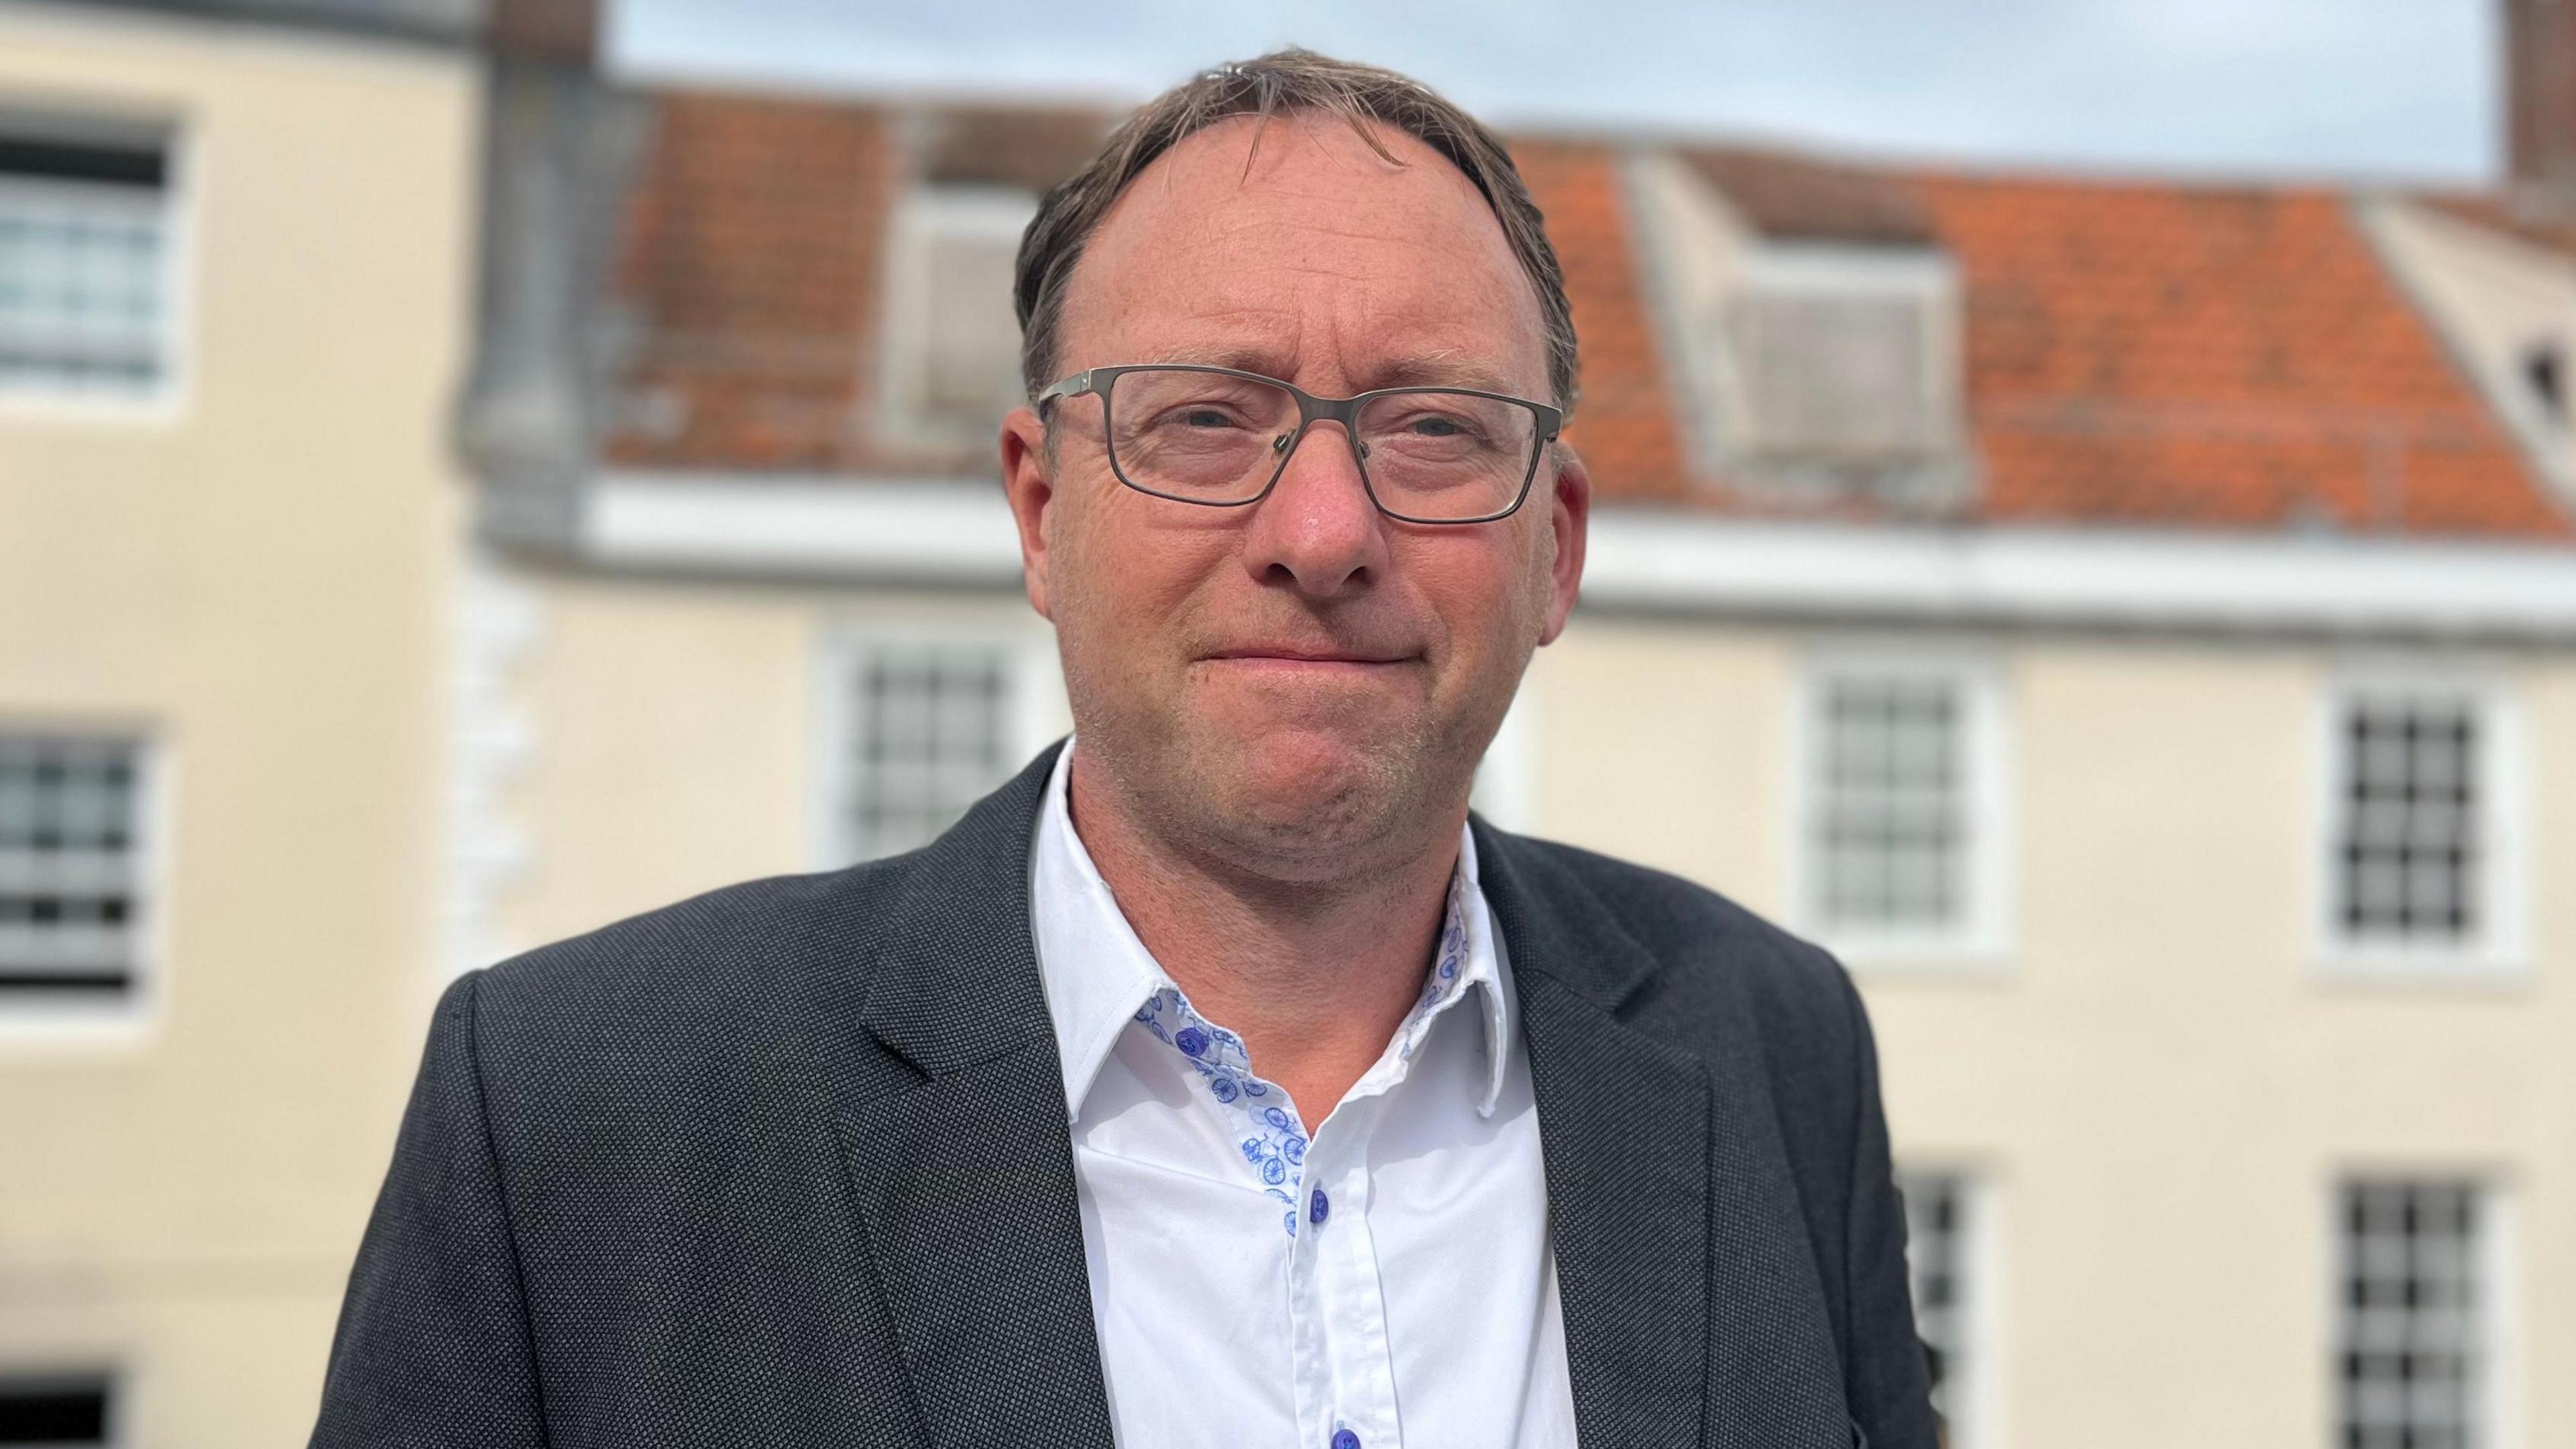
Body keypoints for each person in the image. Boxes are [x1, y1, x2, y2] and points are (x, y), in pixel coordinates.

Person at [310, 49, 1935, 1449]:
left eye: (1432, 428)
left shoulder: (1771, 1047)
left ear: (1557, 549)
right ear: (1038, 510)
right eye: (1202, 420)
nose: (1322, 532)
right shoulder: (579, 1115)